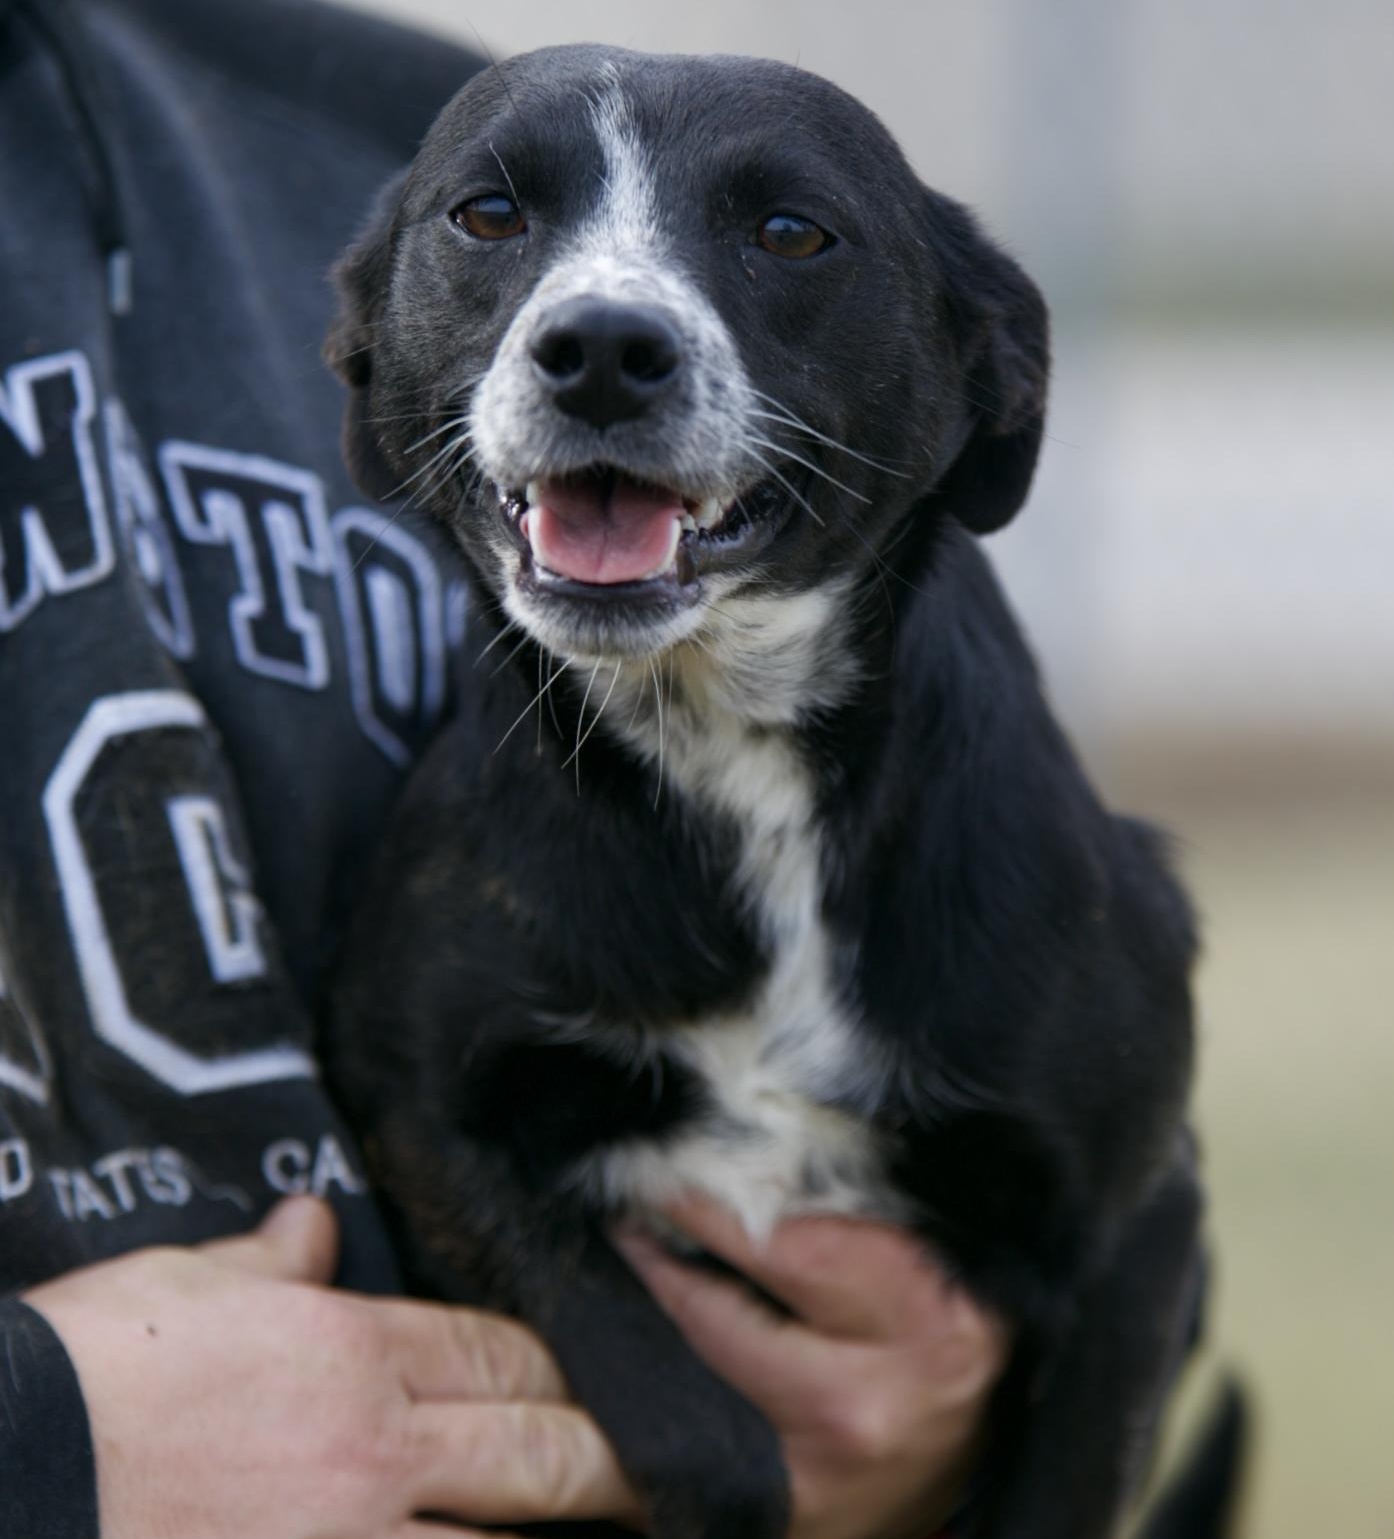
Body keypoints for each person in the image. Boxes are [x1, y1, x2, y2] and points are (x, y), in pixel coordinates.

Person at [0, 1, 1015, 1535]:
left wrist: (941, 1427)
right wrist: (45, 1446)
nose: (601, 313)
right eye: (495, 227)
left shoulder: (404, 130)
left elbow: (1065, 1141)